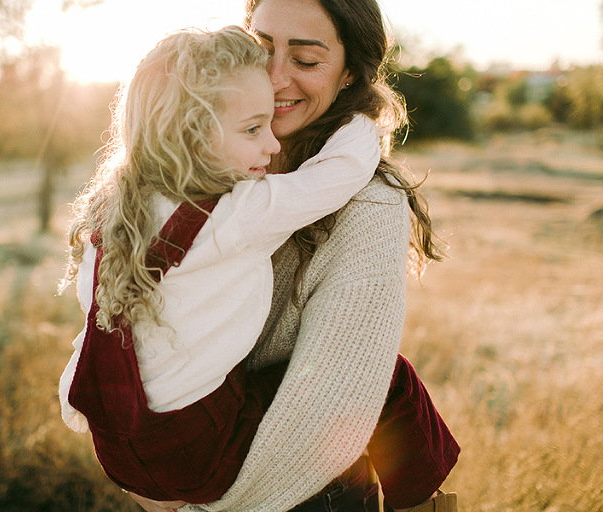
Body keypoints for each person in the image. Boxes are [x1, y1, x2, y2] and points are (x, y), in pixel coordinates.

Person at [128, 0, 461, 511]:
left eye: (306, 61)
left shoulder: (366, 203)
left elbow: (328, 408)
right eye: (262, 49)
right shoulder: (208, 167)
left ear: (350, 73)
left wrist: (182, 494)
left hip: (300, 495)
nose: (276, 77)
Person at [57, 26, 382, 505]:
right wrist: (362, 120)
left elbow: (97, 320)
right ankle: (423, 499)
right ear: (188, 135)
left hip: (120, 447)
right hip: (204, 447)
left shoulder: (114, 210)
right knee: (386, 382)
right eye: (253, 129)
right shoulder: (236, 215)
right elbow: (342, 174)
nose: (272, 146)